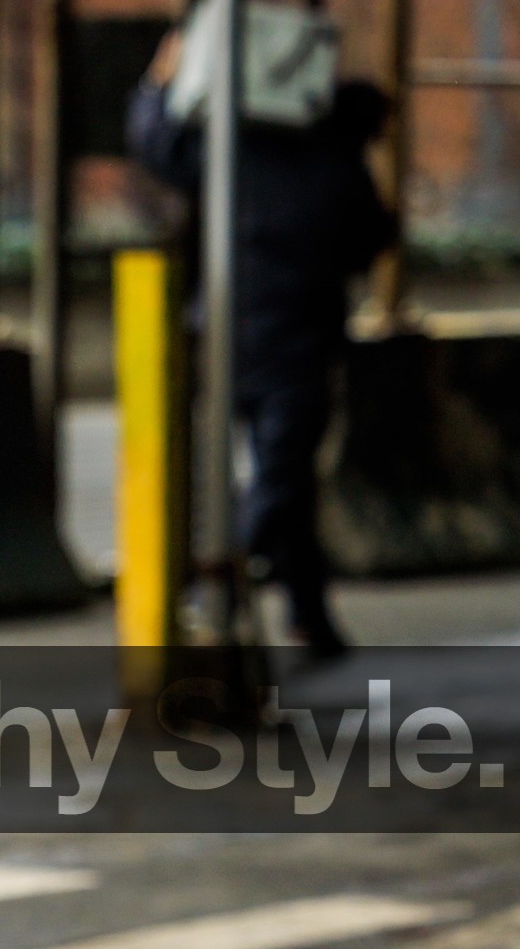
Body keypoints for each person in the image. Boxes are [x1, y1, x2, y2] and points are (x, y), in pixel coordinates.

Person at [127, 34, 397, 657]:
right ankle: (217, 583)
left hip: (224, 336)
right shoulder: (337, 164)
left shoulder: (239, 150)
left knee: (283, 480)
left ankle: (307, 615)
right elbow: (370, 241)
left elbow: (160, 147)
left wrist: (155, 86)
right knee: (282, 477)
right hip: (300, 345)